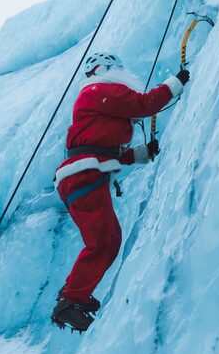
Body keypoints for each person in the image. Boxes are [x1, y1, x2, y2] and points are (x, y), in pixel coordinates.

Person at [51, 52, 188, 331]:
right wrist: (177, 81)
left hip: (83, 175)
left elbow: (101, 145)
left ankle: (74, 296)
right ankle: (70, 301)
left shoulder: (94, 96)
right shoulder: (98, 90)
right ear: (108, 69)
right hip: (84, 175)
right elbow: (144, 104)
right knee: (103, 242)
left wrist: (138, 154)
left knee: (107, 241)